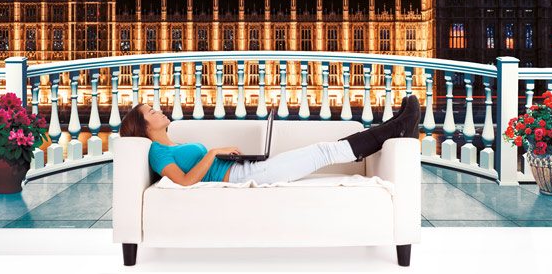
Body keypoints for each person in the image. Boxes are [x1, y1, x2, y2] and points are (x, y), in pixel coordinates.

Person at [119, 96, 421, 186]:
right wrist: (212, 153)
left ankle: (395, 126)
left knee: (324, 150)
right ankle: (398, 127)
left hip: (245, 169)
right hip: (244, 177)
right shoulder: (157, 153)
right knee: (323, 151)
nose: (158, 110)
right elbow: (185, 182)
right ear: (143, 126)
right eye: (151, 111)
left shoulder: (170, 142)